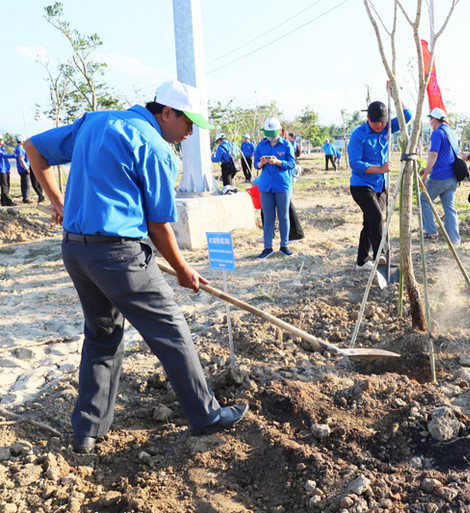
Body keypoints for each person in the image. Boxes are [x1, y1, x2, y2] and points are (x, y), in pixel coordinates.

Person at [23, 80, 248, 454]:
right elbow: (160, 227)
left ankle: (87, 431)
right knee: (172, 331)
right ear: (166, 113)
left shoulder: (94, 122)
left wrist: (59, 202)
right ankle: (206, 416)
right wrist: (183, 269)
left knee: (102, 335)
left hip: (76, 251)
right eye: (187, 123)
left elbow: (34, 148)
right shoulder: (158, 149)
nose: (190, 133)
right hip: (118, 256)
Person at [347, 99, 412, 271]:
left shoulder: (387, 128)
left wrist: (395, 94)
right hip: (362, 186)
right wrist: (379, 168)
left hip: (380, 186)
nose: (379, 125)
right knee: (376, 217)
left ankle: (361, 262)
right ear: (367, 117)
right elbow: (355, 163)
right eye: (376, 122)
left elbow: (407, 115)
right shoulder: (358, 135)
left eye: (382, 122)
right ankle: (381, 256)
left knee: (370, 222)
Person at [253, 117, 296, 259]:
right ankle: (267, 247)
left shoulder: (286, 145)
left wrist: (277, 162)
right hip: (266, 186)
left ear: (279, 131)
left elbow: (291, 164)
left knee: (283, 216)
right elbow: (256, 165)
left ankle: (284, 245)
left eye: (273, 133)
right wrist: (262, 163)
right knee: (268, 217)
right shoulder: (261, 145)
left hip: (282, 185)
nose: (271, 136)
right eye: (268, 133)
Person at [419, 108, 461, 245]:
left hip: (440, 176)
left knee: (423, 199)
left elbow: (434, 155)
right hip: (452, 177)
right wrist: (427, 169)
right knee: (449, 208)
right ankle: (454, 239)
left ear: (434, 120)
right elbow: (445, 156)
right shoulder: (451, 132)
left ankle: (431, 231)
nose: (430, 121)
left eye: (430, 119)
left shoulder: (437, 133)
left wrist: (425, 176)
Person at [0, 137, 17, 206]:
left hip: (5, 169)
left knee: (7, 185)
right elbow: (4, 155)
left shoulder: (2, 148)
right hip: (1, 170)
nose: (3, 141)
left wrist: (8, 169)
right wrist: (16, 156)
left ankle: (3, 201)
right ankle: (8, 201)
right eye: (2, 140)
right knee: (4, 186)